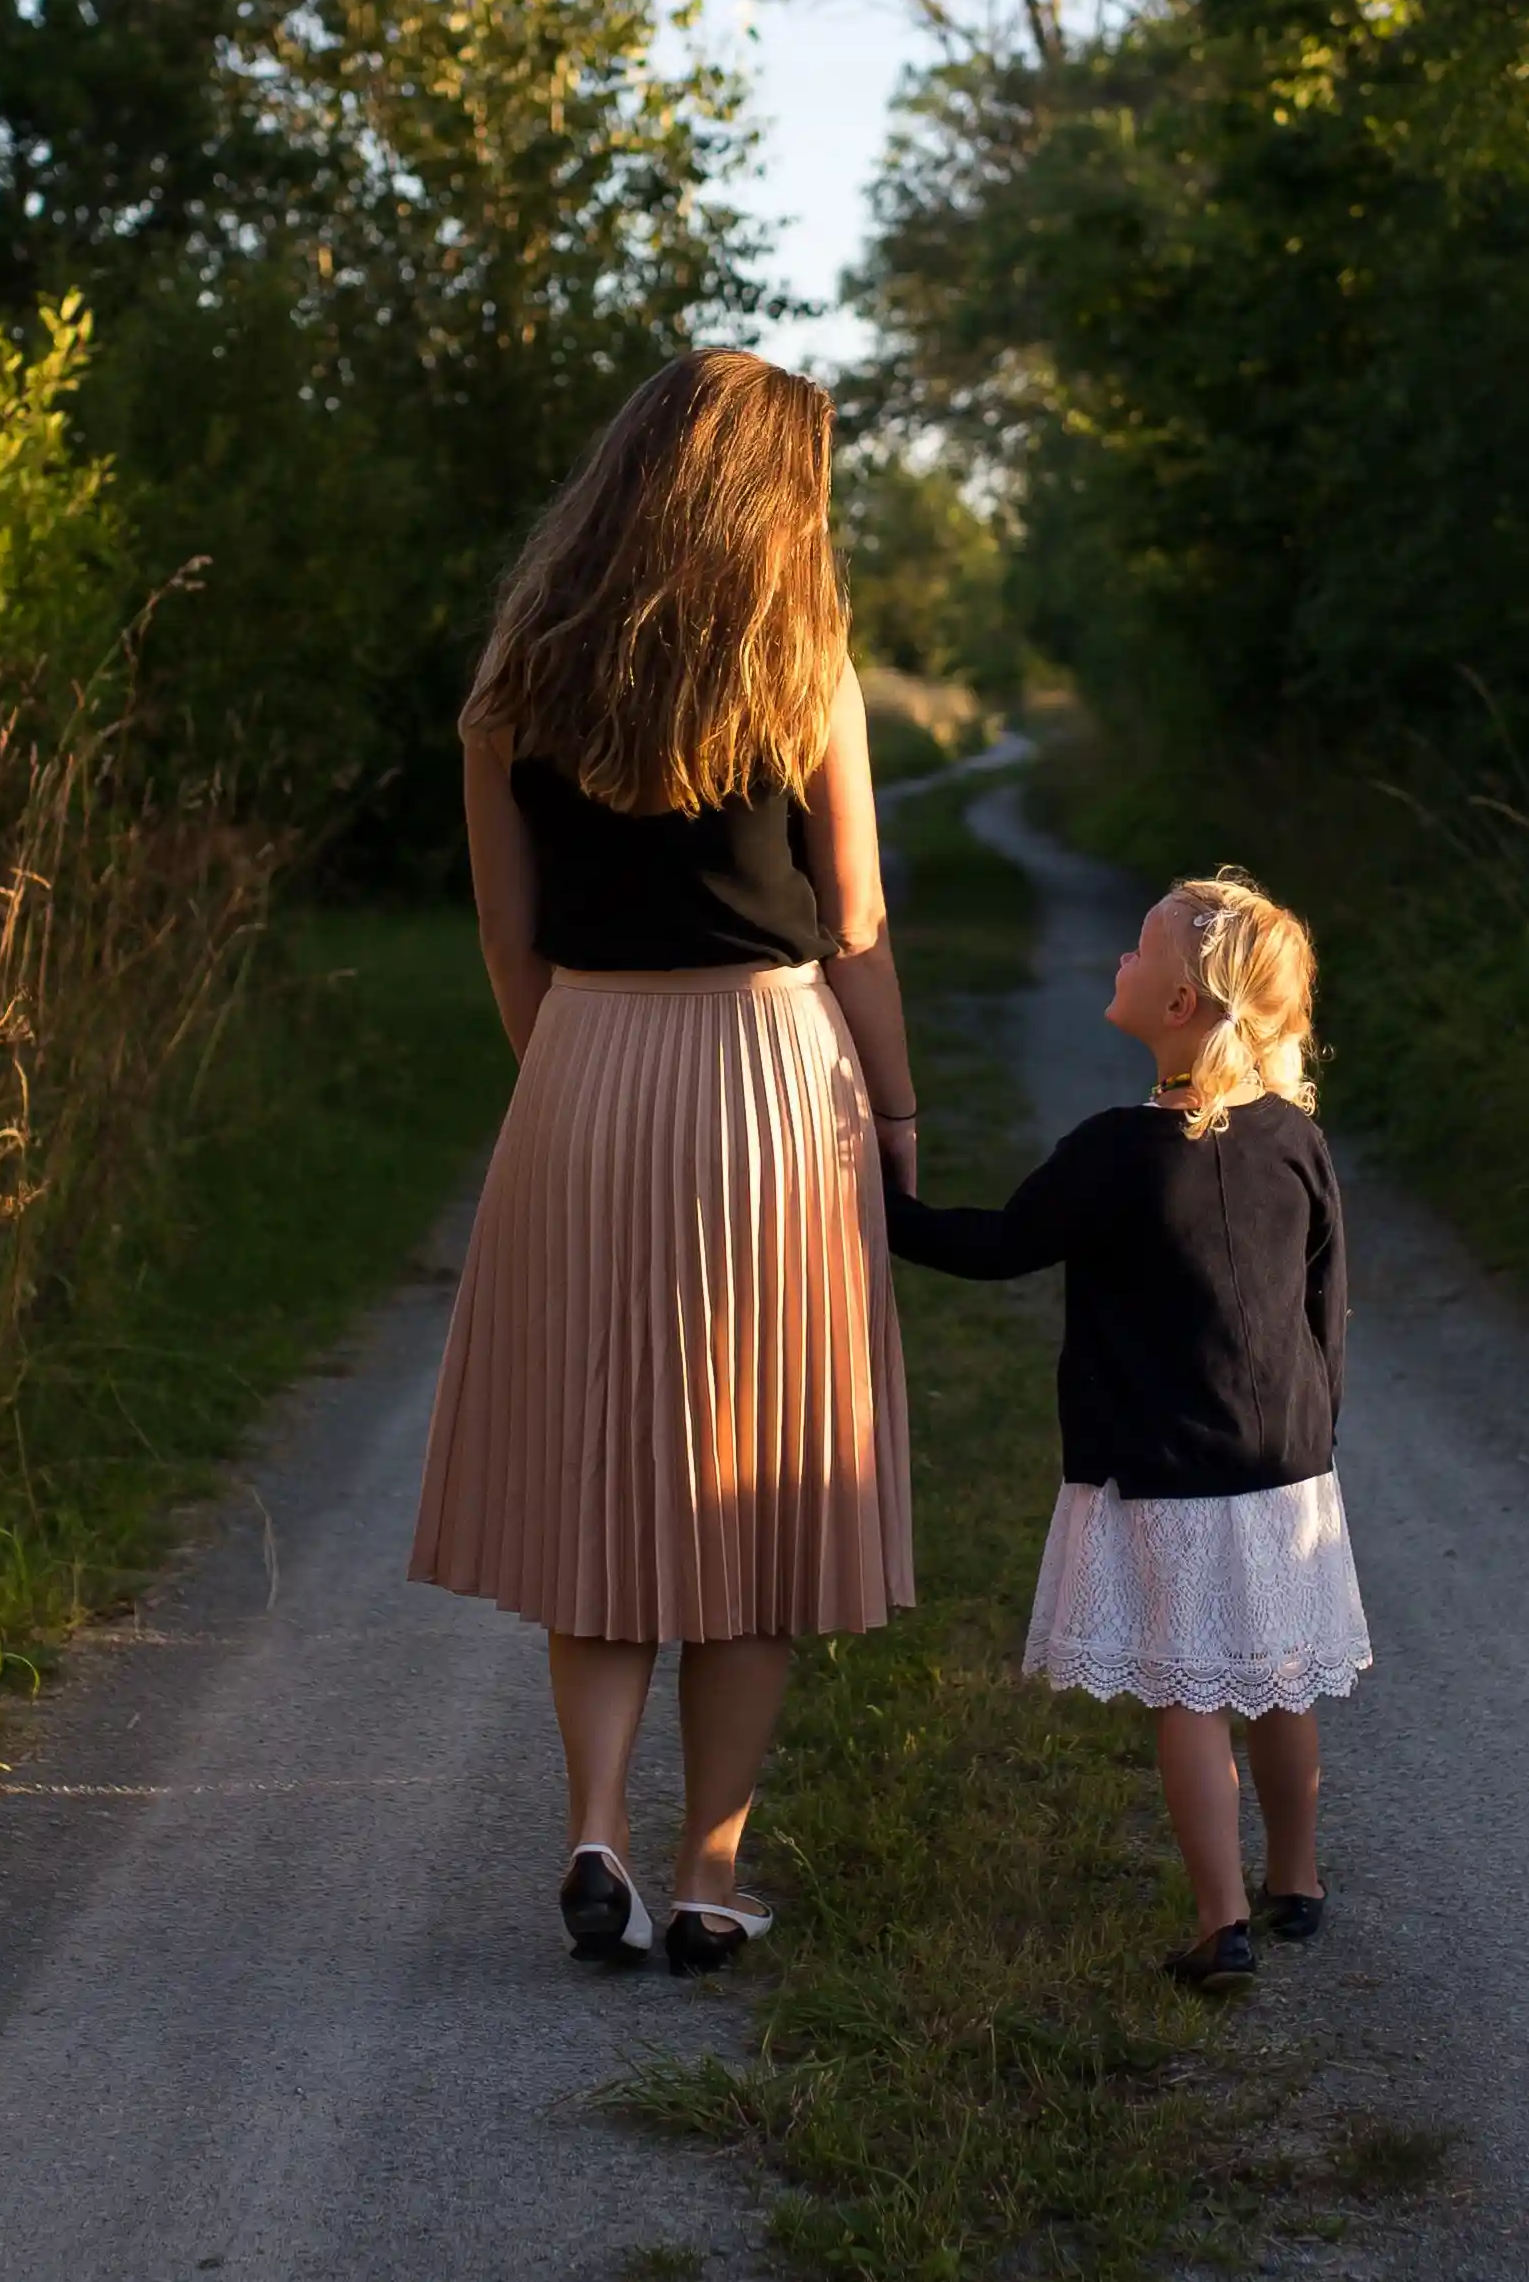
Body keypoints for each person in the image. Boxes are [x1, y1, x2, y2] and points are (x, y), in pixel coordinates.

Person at [411, 351, 921, 1974]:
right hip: (768, 1072)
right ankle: (708, 1872)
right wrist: (897, 1116)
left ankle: (592, 1831)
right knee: (753, 1477)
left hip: (583, 1064)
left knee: (605, 1471)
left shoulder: (518, 673)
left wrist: (567, 1071)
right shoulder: (801, 663)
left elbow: (505, 931)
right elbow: (852, 925)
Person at [881, 871, 1365, 1993]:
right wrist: (1316, 1432)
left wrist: (872, 1204)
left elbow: (999, 1243)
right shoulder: (1295, 1137)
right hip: (1286, 1463)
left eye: (1137, 951)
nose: (1118, 962)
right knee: (1281, 1679)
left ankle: (1220, 1921)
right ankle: (1297, 1880)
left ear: (1182, 1004)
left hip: (1165, 1463)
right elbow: (1326, 1299)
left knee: (1190, 1693)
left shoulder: (1117, 1150)